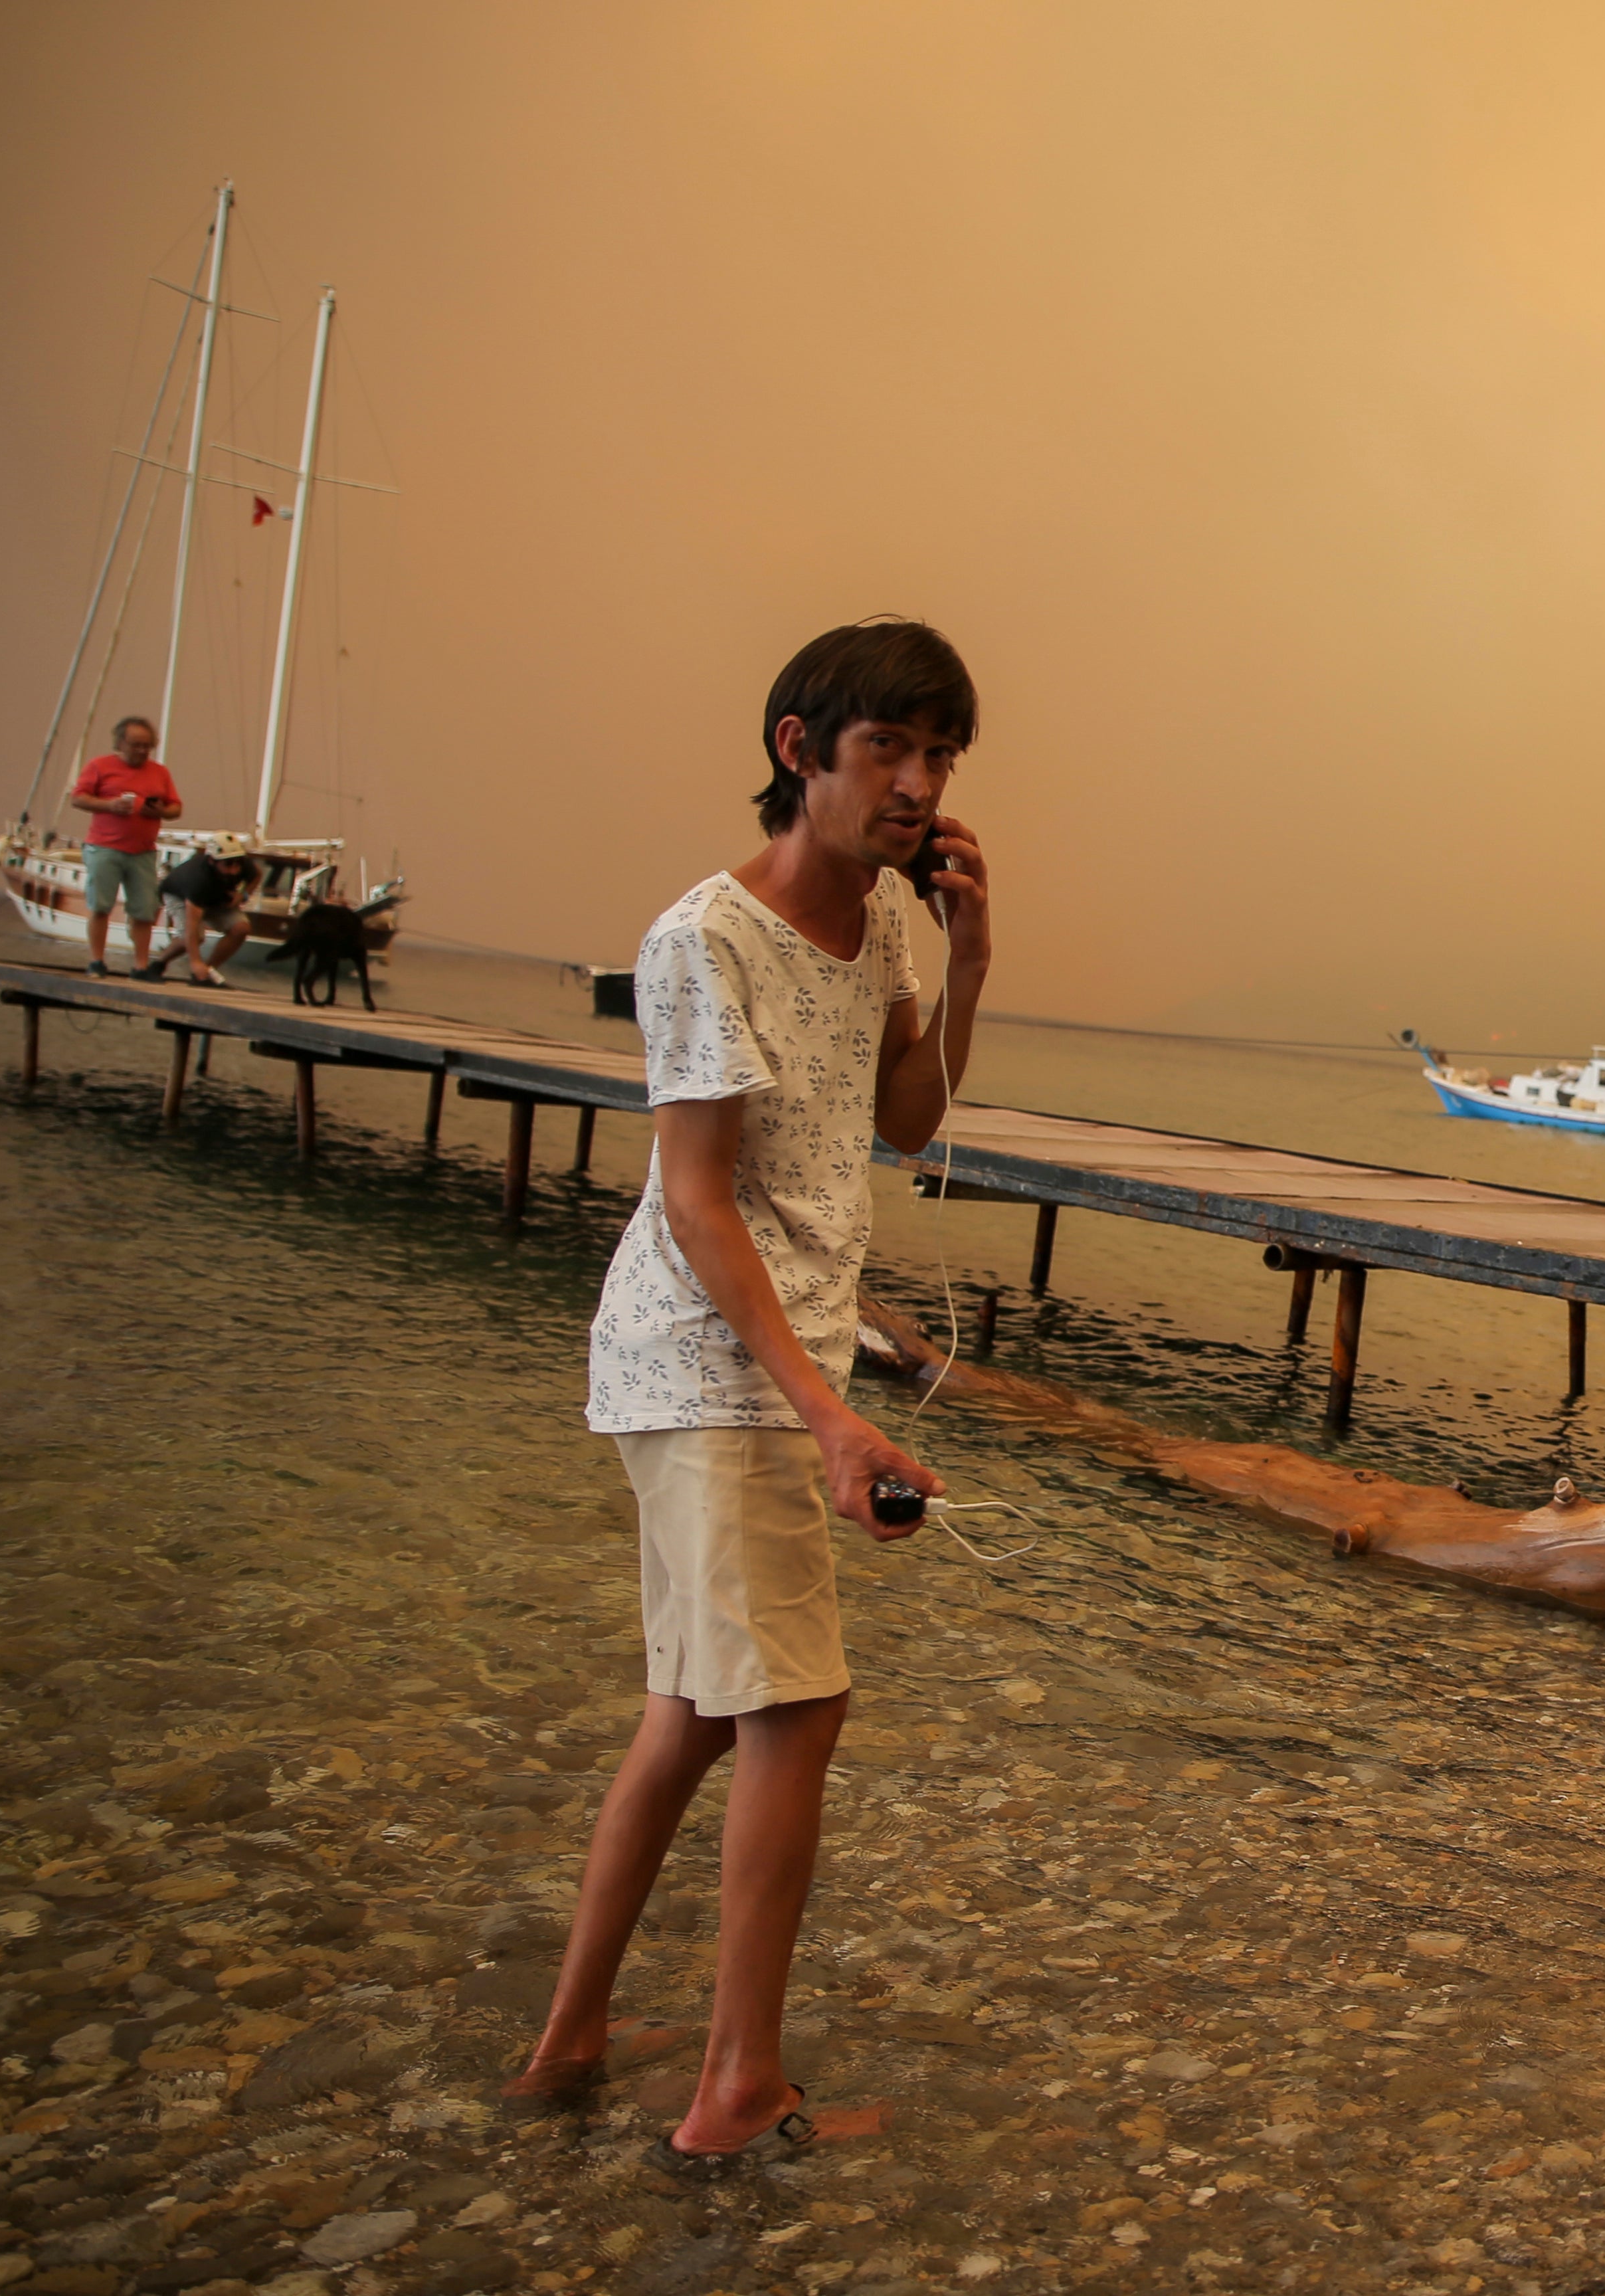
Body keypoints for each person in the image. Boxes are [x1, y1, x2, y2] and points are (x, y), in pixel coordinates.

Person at [510, 621, 989, 2168]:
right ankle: (735, 2089)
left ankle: (571, 2035)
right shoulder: (700, 940)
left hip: (759, 1361)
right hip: (707, 1355)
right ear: (800, 749)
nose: (915, 787)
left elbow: (905, 1122)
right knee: (797, 1705)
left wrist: (971, 959)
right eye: (886, 753)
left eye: (938, 760)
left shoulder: (889, 926)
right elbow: (702, 1198)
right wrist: (833, 1410)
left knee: (691, 1717)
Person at [68, 716, 181, 977]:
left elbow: (176, 807)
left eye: (147, 746)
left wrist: (161, 811)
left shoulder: (159, 772)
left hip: (143, 851)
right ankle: (97, 960)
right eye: (136, 745)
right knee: (100, 905)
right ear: (121, 742)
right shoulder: (99, 766)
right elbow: (78, 798)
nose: (142, 751)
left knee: (144, 909)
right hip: (104, 847)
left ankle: (140, 965)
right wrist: (109, 805)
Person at [142, 848, 262, 985]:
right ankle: (159, 964)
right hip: (180, 896)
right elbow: (192, 926)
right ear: (212, 861)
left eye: (238, 864)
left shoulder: (242, 865)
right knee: (191, 938)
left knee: (241, 928)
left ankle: (208, 972)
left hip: (216, 896)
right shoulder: (198, 879)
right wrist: (195, 962)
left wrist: (243, 895)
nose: (234, 870)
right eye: (228, 864)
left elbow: (257, 874)